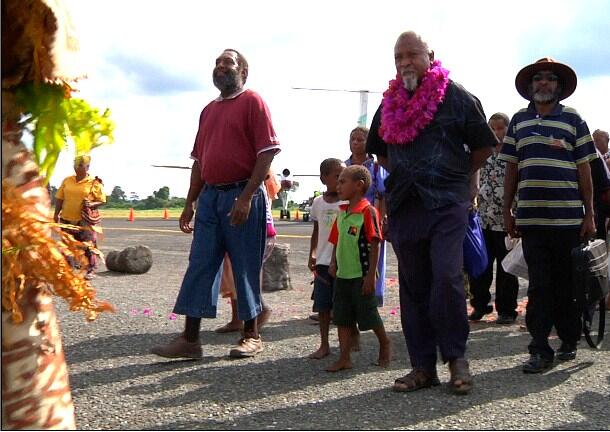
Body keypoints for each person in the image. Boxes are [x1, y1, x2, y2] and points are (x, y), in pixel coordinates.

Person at [366, 31, 496, 394]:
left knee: (446, 278)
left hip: (447, 203)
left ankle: (457, 359)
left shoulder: (456, 96)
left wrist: (455, 175)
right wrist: (406, 175)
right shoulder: (389, 102)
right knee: (413, 286)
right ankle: (422, 366)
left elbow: (485, 146)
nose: (404, 62)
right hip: (407, 204)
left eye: (412, 55)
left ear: (430, 56)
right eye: (398, 57)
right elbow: (381, 151)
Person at [151, 48, 280, 359]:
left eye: (229, 62)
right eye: (218, 62)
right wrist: (190, 201)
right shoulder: (208, 110)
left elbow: (267, 152)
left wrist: (247, 197)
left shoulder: (253, 102)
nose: (221, 66)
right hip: (210, 197)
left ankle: (251, 334)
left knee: (244, 266)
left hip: (241, 195)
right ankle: (190, 340)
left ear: (243, 73)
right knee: (201, 264)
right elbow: (199, 161)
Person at [499, 58, 597, 373]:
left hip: (568, 221)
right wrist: (507, 210)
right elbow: (512, 168)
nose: (543, 83)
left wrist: (589, 214)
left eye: (549, 79)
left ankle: (569, 339)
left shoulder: (573, 119)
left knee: (567, 286)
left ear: (558, 86)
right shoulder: (518, 121)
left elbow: (585, 168)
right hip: (531, 222)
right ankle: (539, 349)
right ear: (530, 86)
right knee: (539, 286)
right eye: (538, 79)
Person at [326, 165, 391, 372]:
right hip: (343, 275)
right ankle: (344, 357)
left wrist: (371, 275)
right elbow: (336, 240)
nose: (338, 185)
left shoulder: (367, 211)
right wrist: (333, 262)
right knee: (342, 317)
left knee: (369, 315)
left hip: (361, 275)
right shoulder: (342, 213)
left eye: (343, 181)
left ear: (359, 185)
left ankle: (385, 343)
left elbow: (375, 244)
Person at [468, 113, 520, 324]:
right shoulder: (482, 154)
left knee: (507, 269)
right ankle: (480, 305)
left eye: (501, 128)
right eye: (493, 128)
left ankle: (507, 310)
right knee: (480, 267)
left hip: (506, 222)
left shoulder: (514, 156)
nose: (497, 133)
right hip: (483, 221)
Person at [214, 169, 280, 333]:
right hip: (236, 225)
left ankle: (259, 310)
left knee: (242, 273)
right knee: (232, 273)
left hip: (256, 229)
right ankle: (237, 318)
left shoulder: (254, 176)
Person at [345, 126, 389, 306]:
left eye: (360, 139)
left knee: (373, 259)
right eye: (352, 139)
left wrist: (381, 219)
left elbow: (383, 194)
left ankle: (372, 297)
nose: (355, 143)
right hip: (348, 218)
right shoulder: (344, 165)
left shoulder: (377, 166)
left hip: (371, 217)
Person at [307, 158, 345, 359]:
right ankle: (324, 344)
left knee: (342, 306)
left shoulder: (346, 203)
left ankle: (347, 342)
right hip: (322, 262)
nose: (341, 181)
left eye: (344, 177)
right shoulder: (318, 203)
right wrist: (312, 253)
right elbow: (316, 230)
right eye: (338, 176)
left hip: (343, 262)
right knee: (322, 306)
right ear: (324, 179)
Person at [53, 155, 106, 280]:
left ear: (88, 167)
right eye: (75, 165)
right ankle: (67, 269)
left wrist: (92, 204)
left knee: (88, 245)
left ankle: (90, 269)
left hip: (84, 221)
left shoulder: (94, 182)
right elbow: (60, 198)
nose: (77, 168)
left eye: (80, 165)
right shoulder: (67, 180)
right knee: (67, 245)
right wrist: (56, 214)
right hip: (67, 218)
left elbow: (102, 200)